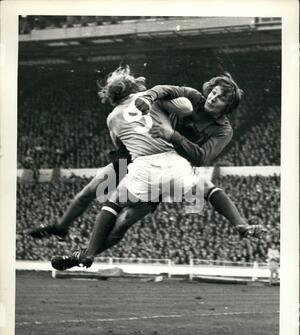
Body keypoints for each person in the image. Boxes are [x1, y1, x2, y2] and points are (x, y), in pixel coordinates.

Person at [49, 66, 265, 271]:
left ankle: (86, 253)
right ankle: (83, 255)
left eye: (220, 99)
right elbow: (165, 90)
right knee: (124, 222)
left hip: (166, 163)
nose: (213, 98)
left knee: (115, 204)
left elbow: (202, 157)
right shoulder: (192, 97)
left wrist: (172, 134)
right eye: (213, 93)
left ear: (227, 108)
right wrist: (148, 96)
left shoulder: (223, 130)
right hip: (169, 166)